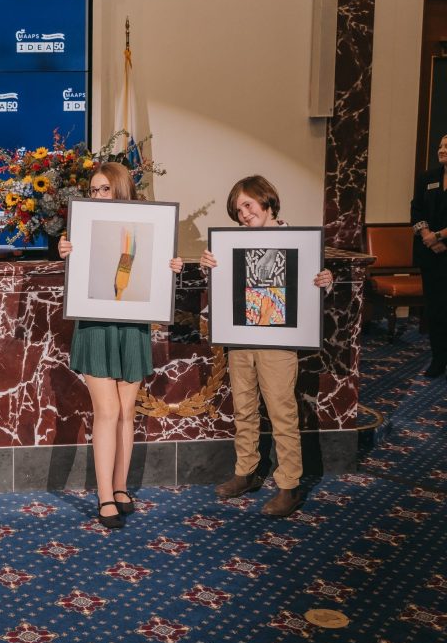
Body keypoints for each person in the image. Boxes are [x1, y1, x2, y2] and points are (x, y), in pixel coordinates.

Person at [57, 163, 183, 528]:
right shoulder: (82, 228)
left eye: (103, 189)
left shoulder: (144, 227)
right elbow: (79, 266)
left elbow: (151, 272)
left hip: (132, 327)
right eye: (93, 190)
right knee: (108, 410)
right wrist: (65, 250)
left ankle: (121, 486)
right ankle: (104, 496)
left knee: (128, 412)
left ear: (121, 189)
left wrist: (170, 267)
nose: (96, 195)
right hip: (96, 324)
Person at [200, 175, 333, 517]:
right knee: (243, 407)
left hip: (278, 341)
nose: (243, 214)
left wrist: (324, 281)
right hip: (241, 338)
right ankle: (246, 472)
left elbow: (311, 287)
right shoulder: (233, 244)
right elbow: (225, 290)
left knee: (281, 411)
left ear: (267, 201)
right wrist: (209, 270)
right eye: (237, 209)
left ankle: (289, 486)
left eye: (248, 205)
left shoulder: (296, 241)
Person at [411, 133, 447, 379]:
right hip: (431, 255)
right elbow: (416, 209)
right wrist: (427, 235)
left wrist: (441, 236)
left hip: (443, 245)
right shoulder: (428, 178)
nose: (442, 149)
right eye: (441, 145)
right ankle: (438, 359)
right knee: (435, 310)